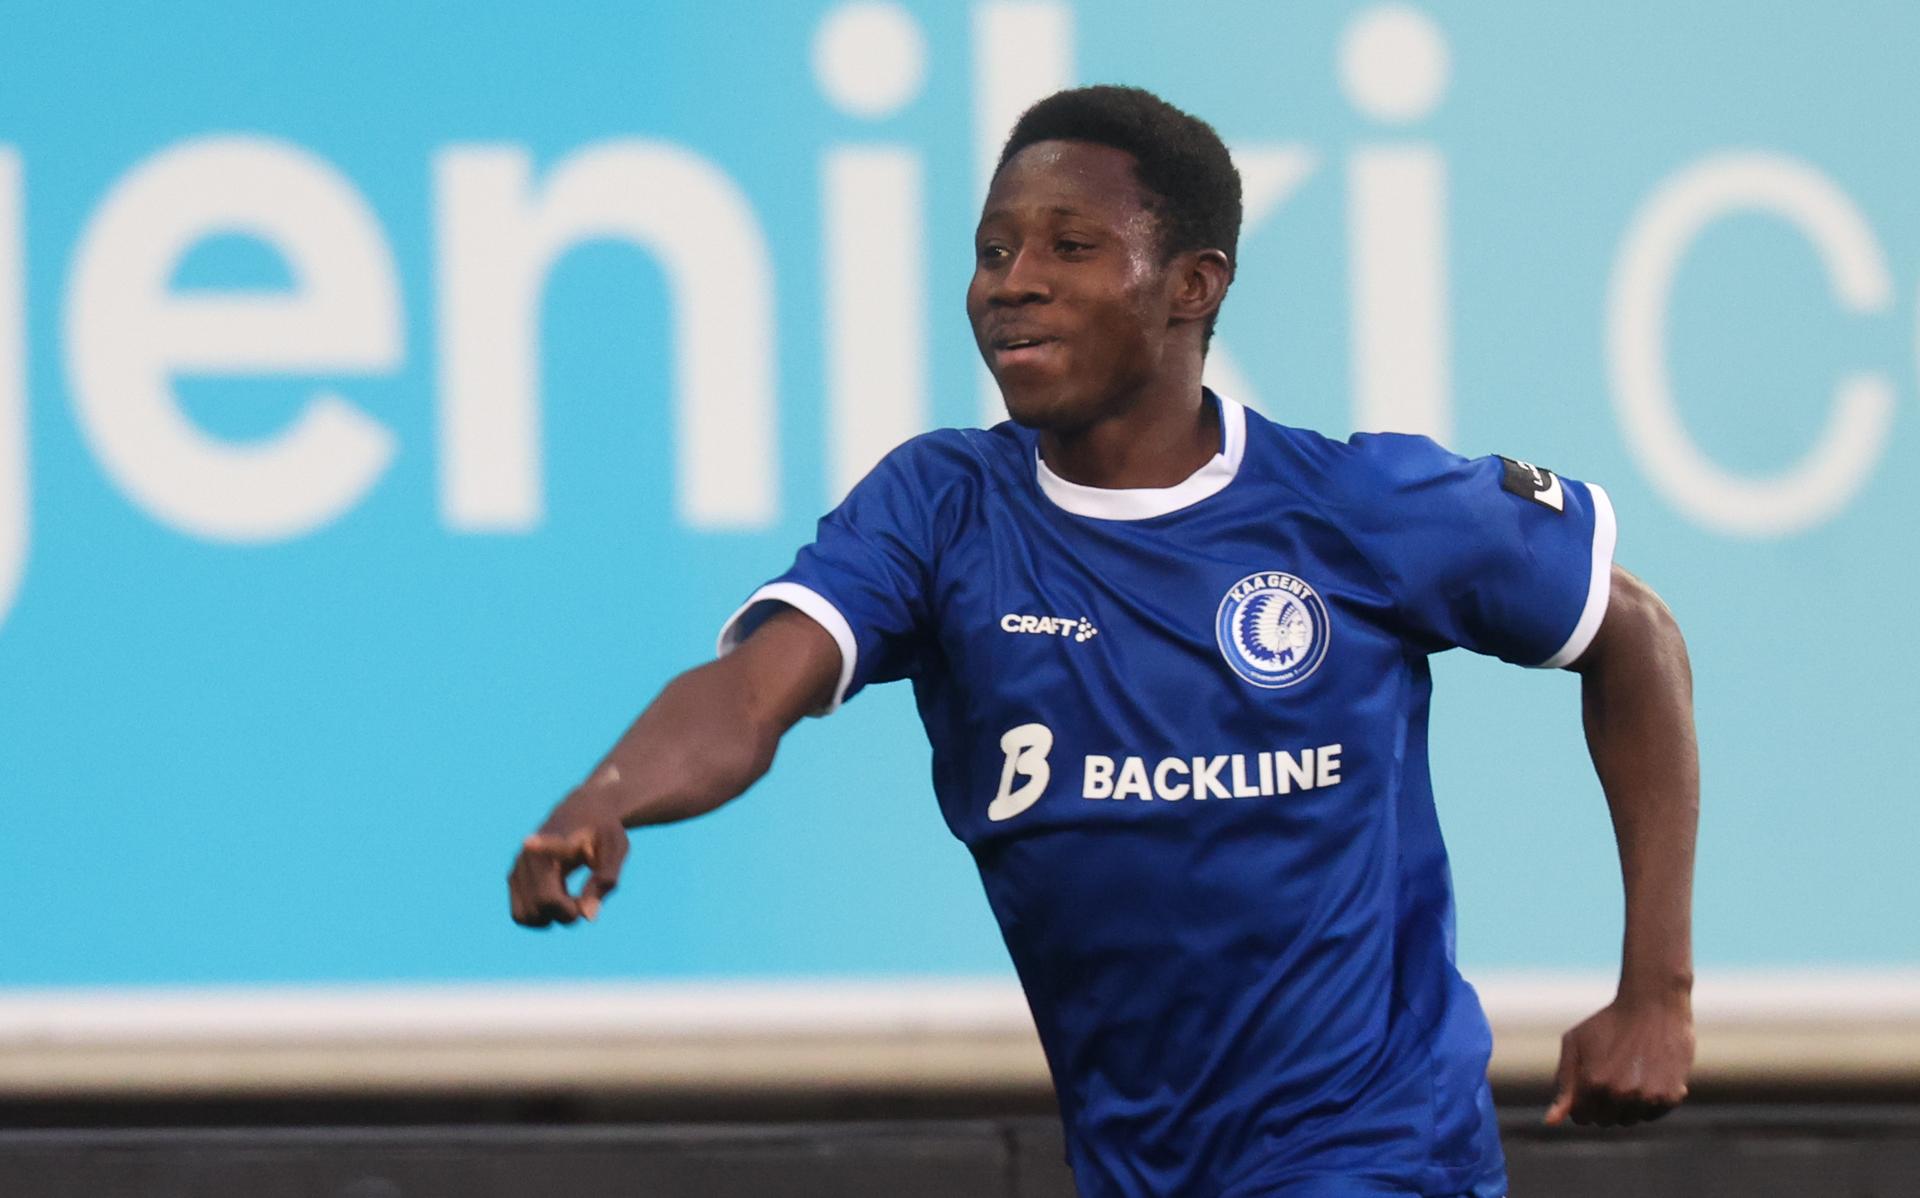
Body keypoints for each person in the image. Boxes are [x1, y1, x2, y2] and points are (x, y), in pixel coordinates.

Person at [507, 85, 1698, 1198]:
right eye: (992, 250)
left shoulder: (1355, 507)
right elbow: (751, 691)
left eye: (1070, 248)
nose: (1010, 283)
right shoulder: (942, 511)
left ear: (1192, 286)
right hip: (1135, 1161)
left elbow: (1631, 636)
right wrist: (608, 794)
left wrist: (1657, 990)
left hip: (1375, 1148)